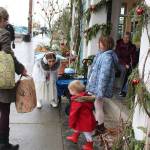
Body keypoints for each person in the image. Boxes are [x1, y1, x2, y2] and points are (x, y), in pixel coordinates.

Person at [0, 7, 27, 150]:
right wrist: (21, 68)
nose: (6, 23)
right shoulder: (3, 34)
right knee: (4, 110)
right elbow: (8, 56)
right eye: (5, 20)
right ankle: (3, 144)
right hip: (2, 78)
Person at [86, 36, 117, 136]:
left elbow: (104, 76)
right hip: (96, 86)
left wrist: (100, 91)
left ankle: (100, 127)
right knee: (97, 106)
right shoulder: (101, 54)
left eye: (100, 42)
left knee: (98, 106)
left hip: (99, 88)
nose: (98, 44)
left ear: (106, 44)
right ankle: (99, 126)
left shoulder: (107, 57)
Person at [66, 80, 96, 150]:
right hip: (87, 118)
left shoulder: (77, 101)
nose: (69, 91)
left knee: (87, 133)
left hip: (83, 120)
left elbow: (73, 113)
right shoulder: (86, 97)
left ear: (73, 91)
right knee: (79, 128)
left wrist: (71, 123)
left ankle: (89, 145)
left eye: (70, 90)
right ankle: (74, 137)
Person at [115, 32, 136, 97]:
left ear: (130, 39)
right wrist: (125, 64)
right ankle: (121, 89)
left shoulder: (132, 47)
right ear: (122, 37)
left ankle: (125, 90)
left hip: (128, 64)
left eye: (128, 38)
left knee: (133, 72)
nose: (126, 39)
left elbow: (134, 57)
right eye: (125, 37)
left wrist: (130, 64)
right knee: (124, 70)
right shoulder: (119, 45)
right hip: (119, 63)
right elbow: (117, 57)